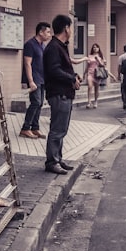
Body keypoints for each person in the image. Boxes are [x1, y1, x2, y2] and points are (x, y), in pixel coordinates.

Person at [42, 14, 81, 175]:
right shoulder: (53, 47)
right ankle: (52, 161)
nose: (72, 31)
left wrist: (74, 77)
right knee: (57, 129)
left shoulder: (60, 46)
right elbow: (54, 70)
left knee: (61, 129)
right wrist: (71, 78)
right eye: (71, 27)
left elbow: (62, 69)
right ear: (66, 28)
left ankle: (57, 158)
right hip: (59, 94)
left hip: (64, 93)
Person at [20, 22, 52, 139]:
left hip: (42, 79)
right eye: (48, 32)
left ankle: (35, 127)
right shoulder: (30, 44)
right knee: (35, 102)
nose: (49, 34)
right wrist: (31, 81)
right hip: (34, 78)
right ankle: (25, 128)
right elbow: (27, 64)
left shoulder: (42, 45)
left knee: (40, 104)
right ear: (40, 32)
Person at [83, 43, 108, 109]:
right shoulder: (90, 56)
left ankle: (96, 101)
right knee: (89, 86)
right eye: (94, 47)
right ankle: (89, 102)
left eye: (96, 47)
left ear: (99, 48)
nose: (95, 48)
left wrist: (98, 60)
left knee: (96, 88)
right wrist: (84, 73)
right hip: (90, 73)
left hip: (97, 74)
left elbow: (103, 65)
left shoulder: (101, 57)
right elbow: (87, 66)